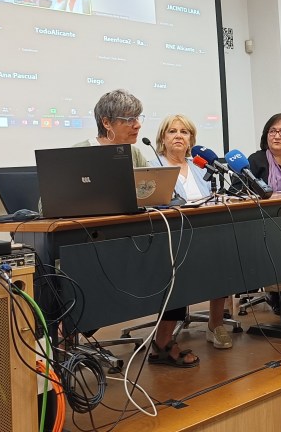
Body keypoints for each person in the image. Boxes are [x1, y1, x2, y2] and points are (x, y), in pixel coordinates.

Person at [75, 90, 197, 367]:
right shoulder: (80, 152)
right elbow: (47, 203)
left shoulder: (136, 154)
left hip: (134, 240)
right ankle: (64, 344)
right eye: (129, 119)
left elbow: (155, 195)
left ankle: (163, 343)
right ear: (107, 122)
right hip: (93, 243)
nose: (138, 125)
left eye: (138, 118)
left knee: (176, 261)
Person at [154, 114, 233, 350]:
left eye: (184, 132)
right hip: (171, 237)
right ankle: (163, 340)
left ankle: (215, 324)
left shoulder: (200, 166)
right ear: (163, 138)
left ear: (191, 139)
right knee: (177, 267)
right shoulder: (155, 166)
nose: (178, 136)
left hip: (205, 232)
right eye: (172, 131)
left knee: (224, 255)